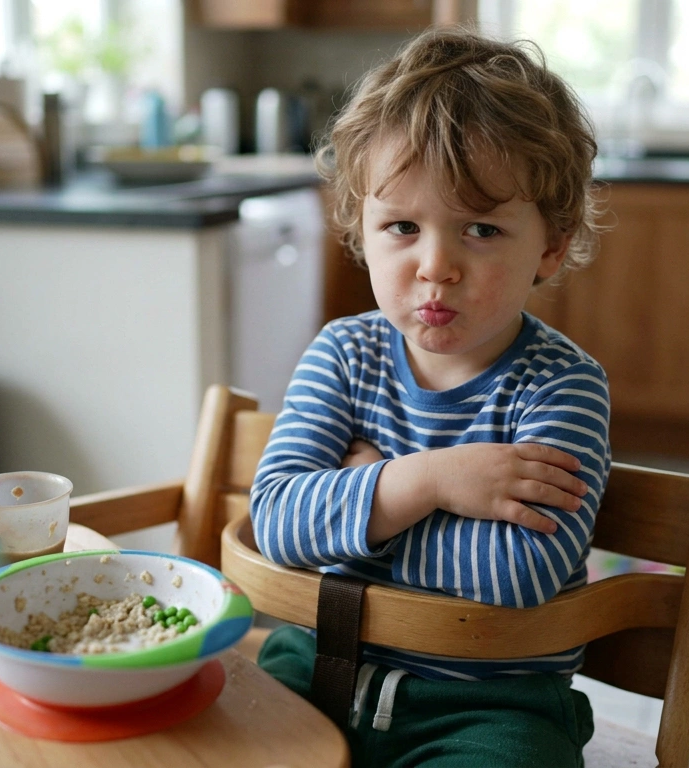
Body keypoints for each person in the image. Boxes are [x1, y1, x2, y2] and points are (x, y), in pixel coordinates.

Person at [249, 25, 610, 768]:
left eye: (480, 228)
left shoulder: (561, 386)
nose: (435, 267)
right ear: (362, 228)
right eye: (402, 227)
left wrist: (357, 498)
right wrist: (430, 482)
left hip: (490, 709)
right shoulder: (344, 356)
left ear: (550, 242)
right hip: (318, 665)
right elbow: (278, 523)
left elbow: (517, 578)